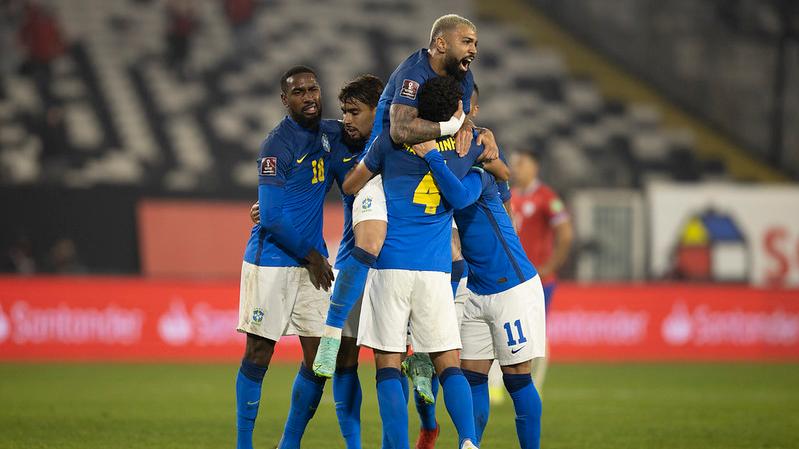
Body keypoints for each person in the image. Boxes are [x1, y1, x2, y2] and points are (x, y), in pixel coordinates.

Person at [312, 14, 505, 400]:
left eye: (476, 42)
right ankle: (332, 334)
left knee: (452, 250)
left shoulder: (463, 78)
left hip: (424, 169)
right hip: (383, 168)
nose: (474, 49)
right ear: (440, 45)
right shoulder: (412, 73)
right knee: (369, 241)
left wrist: (479, 133)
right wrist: (454, 131)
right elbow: (400, 131)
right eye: (467, 41)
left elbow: (464, 123)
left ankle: (418, 348)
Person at [344, 76, 484, 449]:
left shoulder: (391, 140)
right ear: (455, 110)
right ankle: (468, 440)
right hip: (436, 271)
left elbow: (351, 183)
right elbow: (492, 169)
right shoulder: (462, 146)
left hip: (390, 267)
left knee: (388, 365)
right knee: (448, 363)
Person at [411, 137, 546, 449]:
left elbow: (461, 197)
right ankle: (470, 444)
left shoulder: (476, 175)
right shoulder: (462, 173)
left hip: (511, 287)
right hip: (476, 289)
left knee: (516, 378)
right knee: (472, 377)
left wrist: (431, 156)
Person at [234, 65, 337, 449]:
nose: (309, 96)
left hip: (313, 264)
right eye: (298, 92)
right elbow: (273, 217)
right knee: (259, 352)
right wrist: (312, 256)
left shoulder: (331, 134)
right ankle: (244, 444)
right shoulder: (277, 145)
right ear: (284, 100)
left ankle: (288, 443)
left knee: (320, 360)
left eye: (313, 88)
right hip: (272, 262)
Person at [510, 148, 573, 390]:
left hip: (539, 280)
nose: (516, 168)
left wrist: (551, 266)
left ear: (535, 166)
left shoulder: (546, 197)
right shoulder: (511, 196)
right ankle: (497, 385)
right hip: (513, 278)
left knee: (537, 331)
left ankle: (535, 385)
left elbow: (565, 234)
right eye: (514, 164)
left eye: (521, 163)